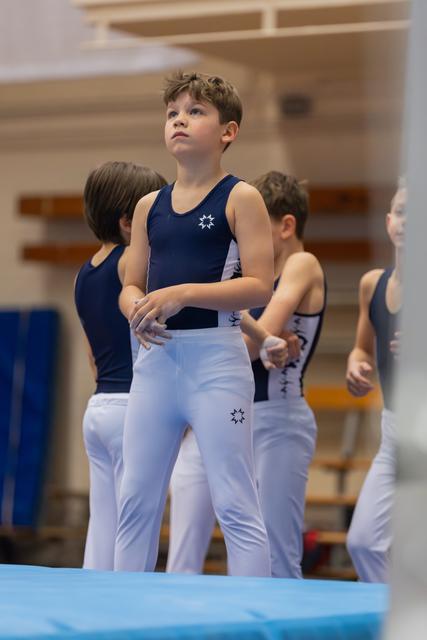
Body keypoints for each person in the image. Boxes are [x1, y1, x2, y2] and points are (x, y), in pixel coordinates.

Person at [115, 71, 275, 576]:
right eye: (172, 113)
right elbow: (130, 283)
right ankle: (117, 620)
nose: (180, 120)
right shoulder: (148, 206)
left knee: (235, 503)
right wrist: (135, 308)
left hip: (215, 360)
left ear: (228, 131)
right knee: (135, 503)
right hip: (157, 360)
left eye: (195, 111)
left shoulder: (241, 197)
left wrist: (184, 294)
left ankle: (258, 622)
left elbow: (260, 286)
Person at [167, 171, 326, 578]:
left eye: (258, 224)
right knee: (187, 545)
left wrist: (240, 332)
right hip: (227, 414)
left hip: (277, 419)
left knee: (277, 554)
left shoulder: (301, 264)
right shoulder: (247, 274)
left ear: (286, 226)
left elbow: (256, 343)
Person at [74, 161, 166, 570]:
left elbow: (93, 356)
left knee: (104, 523)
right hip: (132, 408)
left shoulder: (85, 272)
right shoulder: (132, 261)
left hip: (98, 410)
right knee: (136, 525)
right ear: (130, 222)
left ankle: (93, 608)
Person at [346, 181, 405, 583]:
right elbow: (363, 349)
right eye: (401, 212)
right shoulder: (373, 284)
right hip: (395, 431)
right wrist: (356, 365)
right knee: (364, 541)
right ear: (388, 222)